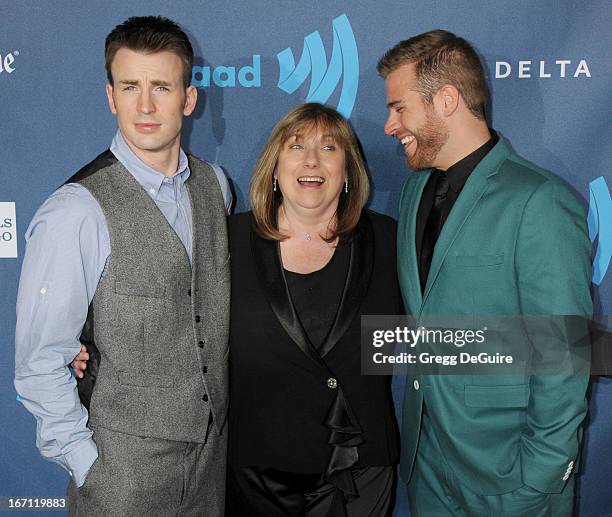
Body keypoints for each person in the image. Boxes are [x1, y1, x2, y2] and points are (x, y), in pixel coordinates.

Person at [14, 16, 232, 516]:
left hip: (211, 467)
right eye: (131, 87)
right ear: (111, 97)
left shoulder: (216, 187)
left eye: (162, 86)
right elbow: (40, 359)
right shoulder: (75, 210)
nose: (146, 105)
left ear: (189, 99)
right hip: (121, 472)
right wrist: (88, 461)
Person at [378, 30, 592, 516]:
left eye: (399, 107)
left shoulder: (539, 201)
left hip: (510, 472)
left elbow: (563, 350)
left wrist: (540, 473)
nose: (390, 125)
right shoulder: (413, 193)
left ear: (447, 99)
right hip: (427, 463)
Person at [226, 103, 401, 516]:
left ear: (348, 172)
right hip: (257, 473)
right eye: (296, 146)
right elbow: (176, 320)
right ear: (274, 167)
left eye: (329, 148)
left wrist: (558, 345)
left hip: (361, 470)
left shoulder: (390, 240)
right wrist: (85, 346)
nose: (311, 160)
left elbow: (447, 323)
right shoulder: (227, 240)